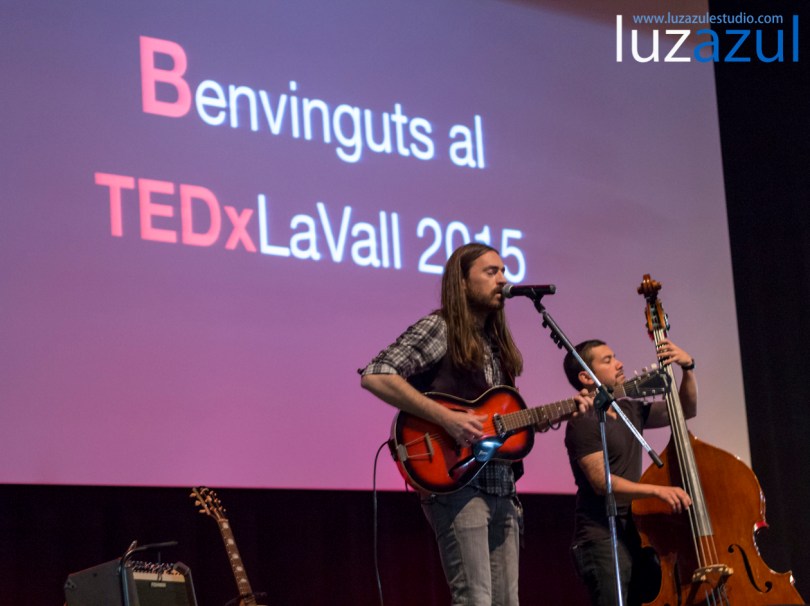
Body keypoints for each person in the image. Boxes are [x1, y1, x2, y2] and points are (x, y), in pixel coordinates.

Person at [360, 242, 590, 606]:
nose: (503, 279)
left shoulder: (497, 345)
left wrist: (556, 414)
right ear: (462, 282)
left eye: (503, 271)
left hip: (503, 490)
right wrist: (445, 418)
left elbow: (500, 425)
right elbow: (376, 375)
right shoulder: (441, 328)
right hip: (457, 487)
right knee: (475, 600)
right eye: (491, 272)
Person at [563, 339, 697, 606]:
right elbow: (602, 482)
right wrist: (657, 490)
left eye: (616, 356)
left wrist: (688, 369)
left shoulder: (629, 410)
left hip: (636, 535)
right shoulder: (582, 421)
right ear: (585, 376)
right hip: (602, 538)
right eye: (608, 360)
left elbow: (686, 410)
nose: (619, 363)